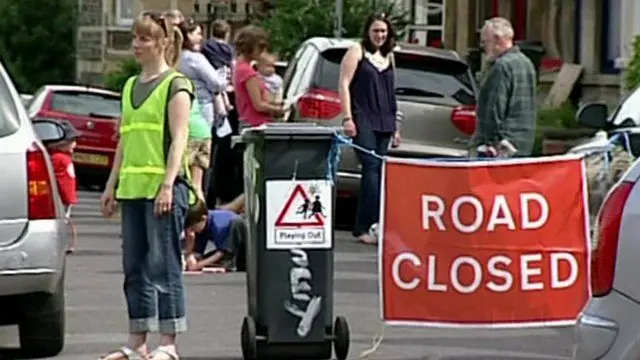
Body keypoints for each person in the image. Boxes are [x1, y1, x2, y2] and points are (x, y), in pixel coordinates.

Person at [99, 11, 193, 360]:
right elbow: (124, 140)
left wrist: (168, 185)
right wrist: (111, 185)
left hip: (163, 190)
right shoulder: (129, 86)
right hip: (133, 189)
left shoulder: (176, 85)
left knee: (164, 266)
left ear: (163, 43)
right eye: (136, 38)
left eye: (145, 39)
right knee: (134, 267)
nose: (137, 45)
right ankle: (136, 341)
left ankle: (168, 343)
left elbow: (180, 137)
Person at [338, 13, 402, 245]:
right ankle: (364, 226)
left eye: (383, 32)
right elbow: (344, 83)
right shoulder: (357, 52)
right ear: (368, 31)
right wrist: (348, 118)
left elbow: (391, 92)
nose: (379, 35)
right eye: (375, 31)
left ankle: (377, 223)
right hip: (363, 117)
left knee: (382, 171)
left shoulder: (389, 56)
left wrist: (396, 126)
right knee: (371, 167)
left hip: (385, 120)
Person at [473, 17, 537, 158]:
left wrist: (489, 142)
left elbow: (494, 110)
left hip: (502, 146)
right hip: (523, 143)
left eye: (485, 42)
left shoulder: (501, 67)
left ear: (497, 39)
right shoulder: (526, 63)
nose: (483, 47)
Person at [178, 18, 227, 198]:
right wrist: (223, 75)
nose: (200, 38)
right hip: (202, 115)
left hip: (179, 115)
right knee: (201, 169)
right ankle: (199, 209)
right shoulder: (194, 59)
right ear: (188, 36)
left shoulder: (174, 57)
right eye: (197, 34)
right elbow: (216, 83)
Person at [233, 25, 285, 127]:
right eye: (260, 47)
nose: (263, 51)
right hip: (256, 124)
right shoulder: (247, 72)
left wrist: (278, 103)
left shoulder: (240, 67)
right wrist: (279, 110)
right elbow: (259, 105)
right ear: (250, 47)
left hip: (249, 121)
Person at [45, 120, 80, 254]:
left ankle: (61, 244)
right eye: (72, 141)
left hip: (66, 197)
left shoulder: (63, 157)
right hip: (60, 197)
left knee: (63, 222)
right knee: (60, 222)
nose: (75, 144)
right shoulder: (57, 158)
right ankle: (58, 245)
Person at [183, 202, 247, 271]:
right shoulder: (202, 225)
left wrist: (197, 266)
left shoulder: (218, 226)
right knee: (206, 259)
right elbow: (197, 253)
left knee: (221, 261)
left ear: (203, 218)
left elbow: (221, 253)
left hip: (239, 242)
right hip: (225, 247)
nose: (192, 231)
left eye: (193, 228)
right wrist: (189, 257)